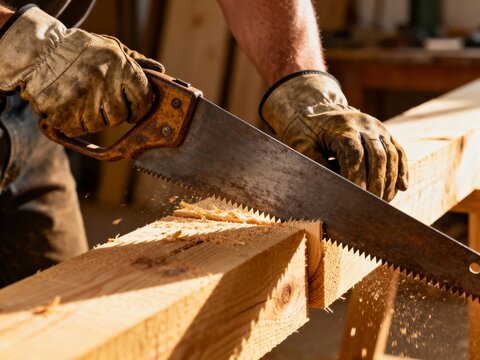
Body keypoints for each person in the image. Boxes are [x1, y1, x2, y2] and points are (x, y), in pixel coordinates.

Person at [0, 0, 408, 286]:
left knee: (62, 321)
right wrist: (30, 45)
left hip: (24, 117)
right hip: (23, 67)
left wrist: (303, 85)